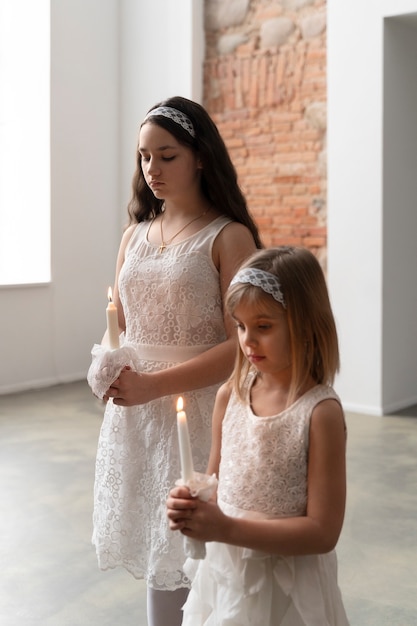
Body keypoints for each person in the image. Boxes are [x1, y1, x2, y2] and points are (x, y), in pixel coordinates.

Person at [90, 95, 262, 626]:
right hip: (136, 420)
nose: (152, 169)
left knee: (205, 564)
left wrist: (154, 386)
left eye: (167, 155)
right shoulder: (133, 237)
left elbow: (244, 345)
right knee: (158, 553)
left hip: (203, 413)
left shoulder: (228, 236)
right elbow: (120, 322)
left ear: (200, 157)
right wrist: (105, 366)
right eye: (144, 157)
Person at [167, 246, 350, 625]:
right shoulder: (228, 397)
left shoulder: (320, 414)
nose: (247, 340)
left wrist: (229, 528)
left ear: (305, 324)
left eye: (264, 326)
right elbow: (214, 483)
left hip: (287, 589)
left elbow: (323, 532)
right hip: (227, 576)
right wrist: (193, 500)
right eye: (240, 325)